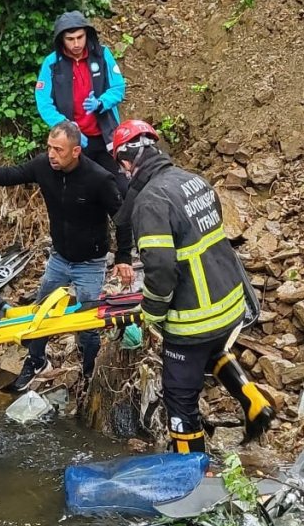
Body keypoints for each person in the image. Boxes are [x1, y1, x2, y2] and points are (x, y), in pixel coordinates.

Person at [111, 119, 275, 453]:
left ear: (128, 162)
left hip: (194, 316)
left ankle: (192, 472)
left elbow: (160, 268)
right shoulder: (193, 181)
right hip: (228, 302)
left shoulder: (151, 201)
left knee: (180, 397)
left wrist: (152, 312)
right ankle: (255, 402)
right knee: (213, 351)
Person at [0, 121, 134, 391]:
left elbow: (122, 219)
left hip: (90, 262)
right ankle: (36, 360)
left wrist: (124, 258)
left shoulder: (99, 179)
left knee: (87, 322)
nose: (52, 154)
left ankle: (88, 372)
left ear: (76, 151)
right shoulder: (44, 165)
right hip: (59, 258)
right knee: (40, 312)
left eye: (59, 150)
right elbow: (13, 174)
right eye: (49, 147)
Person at [35, 11, 128, 198]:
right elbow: (44, 102)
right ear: (61, 39)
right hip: (74, 141)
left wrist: (101, 102)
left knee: (123, 188)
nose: (76, 44)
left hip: (106, 136)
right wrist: (65, 125)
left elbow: (118, 88)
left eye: (80, 37)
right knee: (80, 194)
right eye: (70, 39)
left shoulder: (102, 55)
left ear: (87, 34)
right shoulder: (52, 64)